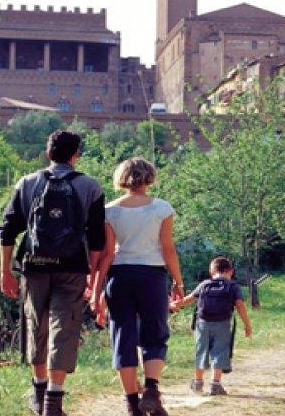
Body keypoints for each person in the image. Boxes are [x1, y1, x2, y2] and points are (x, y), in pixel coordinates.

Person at [0, 130, 105, 416]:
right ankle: (54, 402)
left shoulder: (27, 183)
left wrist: (5, 271)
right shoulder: (90, 187)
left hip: (34, 266)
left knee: (36, 325)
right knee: (64, 328)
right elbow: (97, 240)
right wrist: (93, 277)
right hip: (72, 268)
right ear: (75, 156)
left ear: (48, 153)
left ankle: (38, 391)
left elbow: (7, 231)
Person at [90, 157, 184, 416]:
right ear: (149, 177)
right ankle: (151, 391)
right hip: (152, 276)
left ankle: (132, 404)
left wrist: (97, 292)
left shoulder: (110, 210)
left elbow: (107, 254)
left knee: (123, 336)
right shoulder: (162, 208)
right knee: (155, 333)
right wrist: (178, 280)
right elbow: (168, 249)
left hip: (119, 277)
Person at [171, 257, 252, 396]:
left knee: (201, 350)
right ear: (230, 271)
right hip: (223, 323)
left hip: (202, 323)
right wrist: (247, 325)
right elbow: (240, 306)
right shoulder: (233, 286)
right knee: (219, 352)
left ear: (212, 271)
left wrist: (176, 304)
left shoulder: (205, 284)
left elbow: (189, 299)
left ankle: (197, 382)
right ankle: (215, 384)